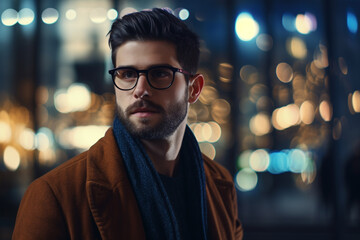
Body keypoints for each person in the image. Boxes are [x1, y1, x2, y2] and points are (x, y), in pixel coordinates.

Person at [12, 8, 243, 240]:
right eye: (127, 74)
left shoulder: (219, 186)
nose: (140, 90)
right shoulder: (55, 196)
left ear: (194, 89)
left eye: (160, 73)